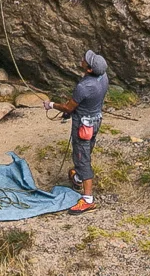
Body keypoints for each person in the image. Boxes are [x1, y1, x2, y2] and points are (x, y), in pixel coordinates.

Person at [54, 49, 109, 212]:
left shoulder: (84, 86)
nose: (83, 59)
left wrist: (52, 105)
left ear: (90, 69)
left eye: (87, 60)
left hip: (83, 126)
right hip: (96, 120)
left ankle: (88, 199)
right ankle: (77, 177)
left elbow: (68, 107)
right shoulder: (103, 77)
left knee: (82, 158)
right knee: (87, 149)